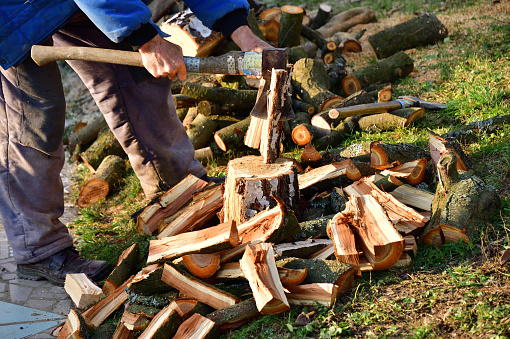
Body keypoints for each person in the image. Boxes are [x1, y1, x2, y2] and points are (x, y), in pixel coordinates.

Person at [0, 0, 271, 286]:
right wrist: (145, 39)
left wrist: (243, 34)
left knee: (136, 78)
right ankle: (39, 248)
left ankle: (177, 192)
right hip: (12, 11)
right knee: (32, 119)